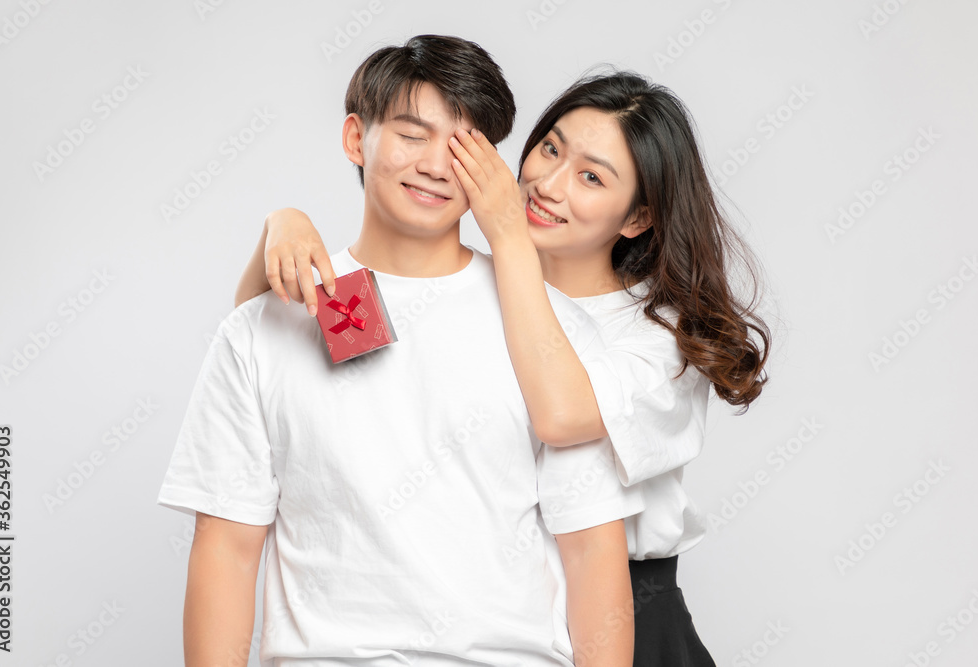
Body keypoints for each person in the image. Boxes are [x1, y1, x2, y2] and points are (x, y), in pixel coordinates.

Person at [244, 70, 772, 666]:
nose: (547, 184)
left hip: (628, 613)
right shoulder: (474, 288)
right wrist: (281, 227)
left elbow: (563, 414)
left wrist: (507, 235)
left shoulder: (660, 342)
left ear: (636, 219)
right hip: (504, 608)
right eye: (550, 148)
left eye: (591, 177)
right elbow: (269, 359)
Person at [158, 35, 645, 667]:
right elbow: (225, 546)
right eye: (413, 135)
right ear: (357, 139)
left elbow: (592, 553)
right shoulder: (261, 330)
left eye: (465, 144)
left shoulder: (553, 334)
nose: (438, 166)